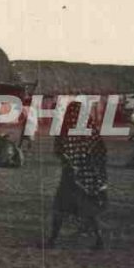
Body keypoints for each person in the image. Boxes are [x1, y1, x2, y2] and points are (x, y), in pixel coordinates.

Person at [47, 101, 109, 250]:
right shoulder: (92, 131)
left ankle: (52, 240)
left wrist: (70, 160)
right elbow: (101, 152)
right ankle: (99, 240)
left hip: (69, 177)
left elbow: (58, 151)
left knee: (60, 209)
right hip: (87, 178)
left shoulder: (64, 131)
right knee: (89, 211)